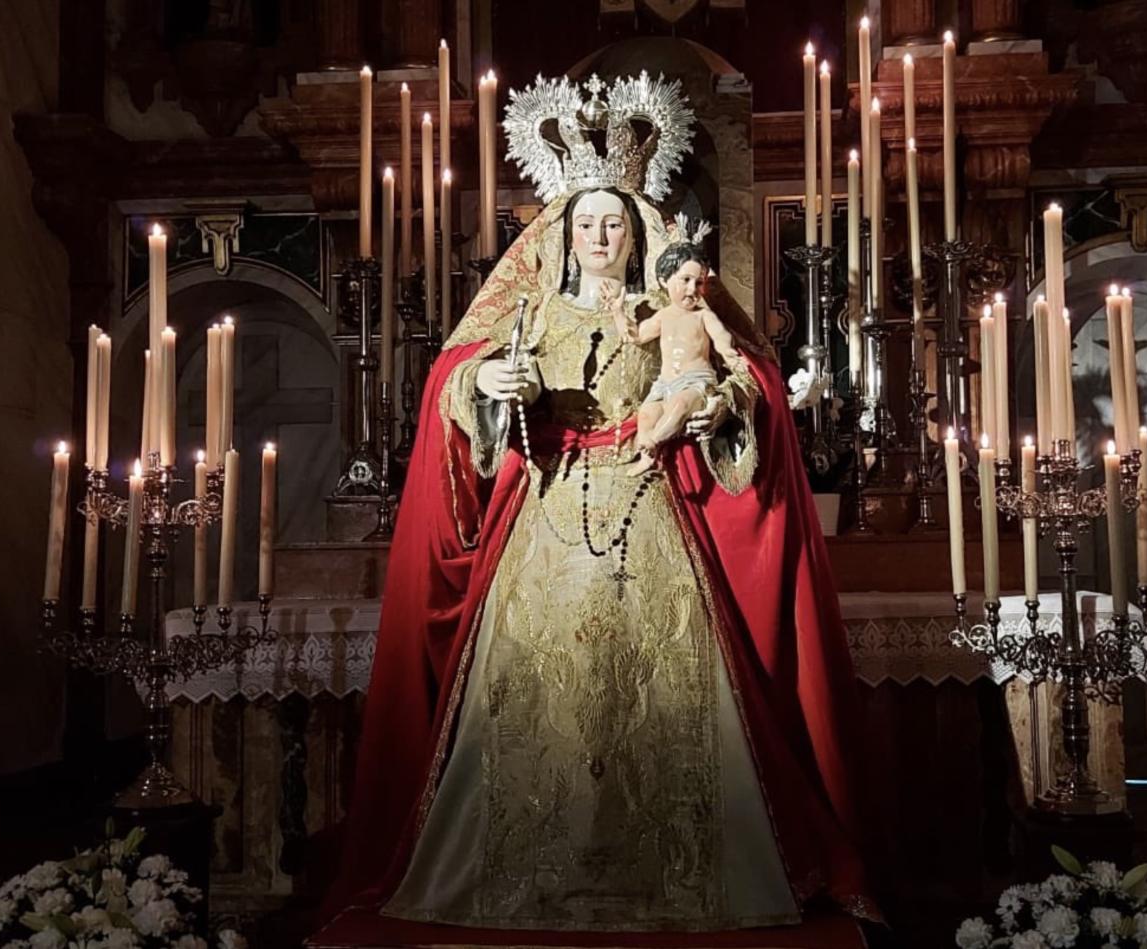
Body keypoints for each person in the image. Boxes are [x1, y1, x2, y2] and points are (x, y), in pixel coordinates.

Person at [325, 73, 878, 934]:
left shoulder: (673, 305)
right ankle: (526, 868)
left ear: (639, 228)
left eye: (613, 222)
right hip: (543, 520)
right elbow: (459, 376)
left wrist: (717, 403)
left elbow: (744, 376)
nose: (598, 236)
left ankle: (679, 868)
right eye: (585, 223)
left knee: (653, 693)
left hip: (646, 511)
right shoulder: (532, 307)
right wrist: (485, 380)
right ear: (560, 230)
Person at [615, 228, 748, 476]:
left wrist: (730, 356)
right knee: (646, 413)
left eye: (699, 283)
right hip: (665, 383)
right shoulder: (663, 316)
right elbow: (635, 336)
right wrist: (617, 311)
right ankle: (647, 456)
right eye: (685, 280)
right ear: (665, 280)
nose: (692, 289)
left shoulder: (703, 316)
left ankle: (652, 442)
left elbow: (722, 337)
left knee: (679, 406)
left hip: (696, 382)